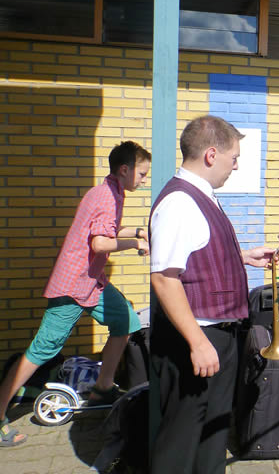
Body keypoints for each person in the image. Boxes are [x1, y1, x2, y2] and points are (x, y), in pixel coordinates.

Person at [0, 141, 151, 448]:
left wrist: (137, 231)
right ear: (125, 170)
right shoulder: (106, 196)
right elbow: (99, 243)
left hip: (92, 282)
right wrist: (136, 244)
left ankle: (103, 388)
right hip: (72, 285)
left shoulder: (111, 191)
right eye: (142, 174)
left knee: (125, 322)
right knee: (43, 350)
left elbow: (108, 231)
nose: (144, 180)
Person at [149, 116, 276, 474]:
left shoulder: (199, 195)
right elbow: (164, 279)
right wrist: (197, 342)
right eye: (233, 158)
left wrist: (241, 257)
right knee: (181, 443)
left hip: (216, 336)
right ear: (210, 155)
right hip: (196, 338)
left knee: (212, 435)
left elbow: (194, 256)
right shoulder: (179, 202)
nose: (235, 166)